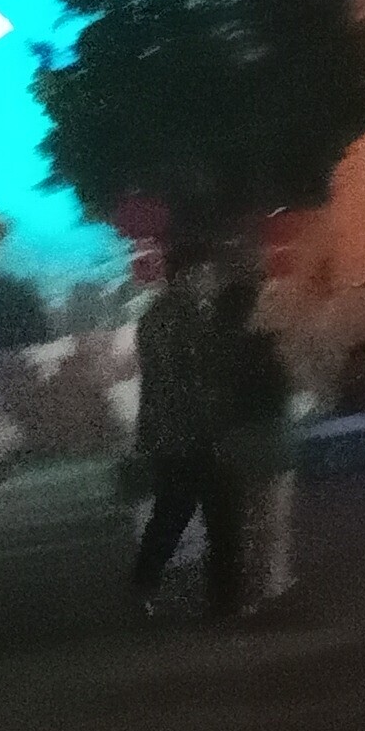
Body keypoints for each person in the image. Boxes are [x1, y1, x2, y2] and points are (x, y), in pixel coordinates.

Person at [127, 246, 282, 620]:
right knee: (222, 518)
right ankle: (225, 599)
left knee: (172, 513)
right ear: (189, 276)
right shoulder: (193, 320)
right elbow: (201, 378)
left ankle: (144, 586)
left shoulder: (154, 317)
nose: (211, 281)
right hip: (197, 434)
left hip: (166, 435)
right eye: (206, 274)